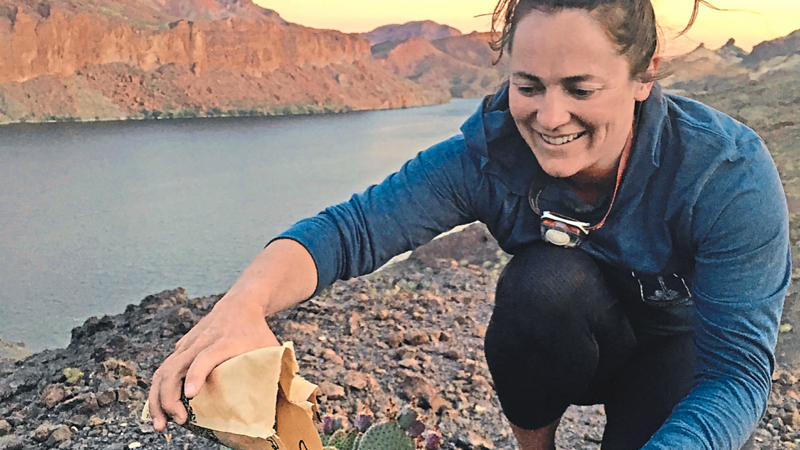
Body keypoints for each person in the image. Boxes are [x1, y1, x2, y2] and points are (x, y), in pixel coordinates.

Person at [147, 0, 791, 448]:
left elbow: (736, 374)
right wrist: (243, 305)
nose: (549, 115)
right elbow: (353, 230)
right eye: (528, 85)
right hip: (563, 331)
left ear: (644, 75)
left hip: (673, 354)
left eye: (581, 88)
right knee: (541, 283)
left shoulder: (723, 173)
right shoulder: (489, 152)